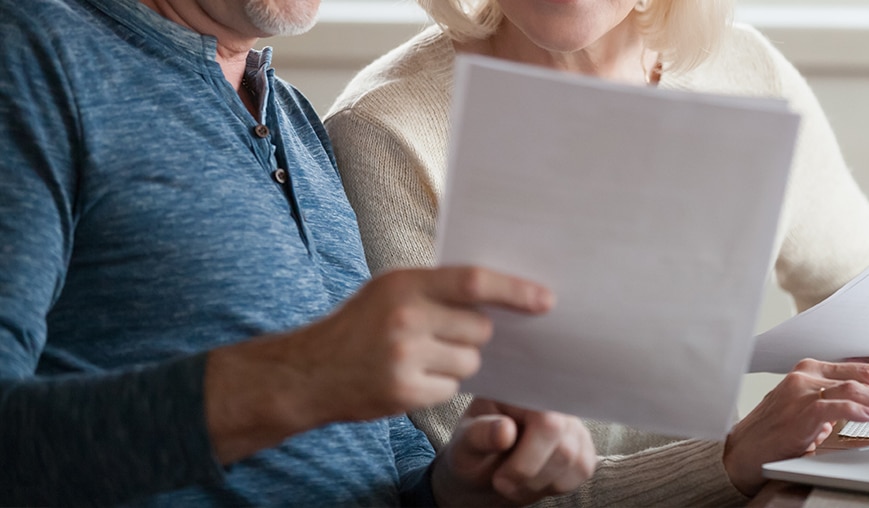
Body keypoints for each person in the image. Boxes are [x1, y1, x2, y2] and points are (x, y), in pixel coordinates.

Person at [323, 0, 869, 504]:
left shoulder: (740, 69)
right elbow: (475, 490)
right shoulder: (385, 132)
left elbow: (859, 272)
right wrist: (731, 459)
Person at [0, 0, 599, 505]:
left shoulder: (293, 115)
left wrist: (460, 483)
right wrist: (299, 377)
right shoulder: (30, 56)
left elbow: (382, 461)